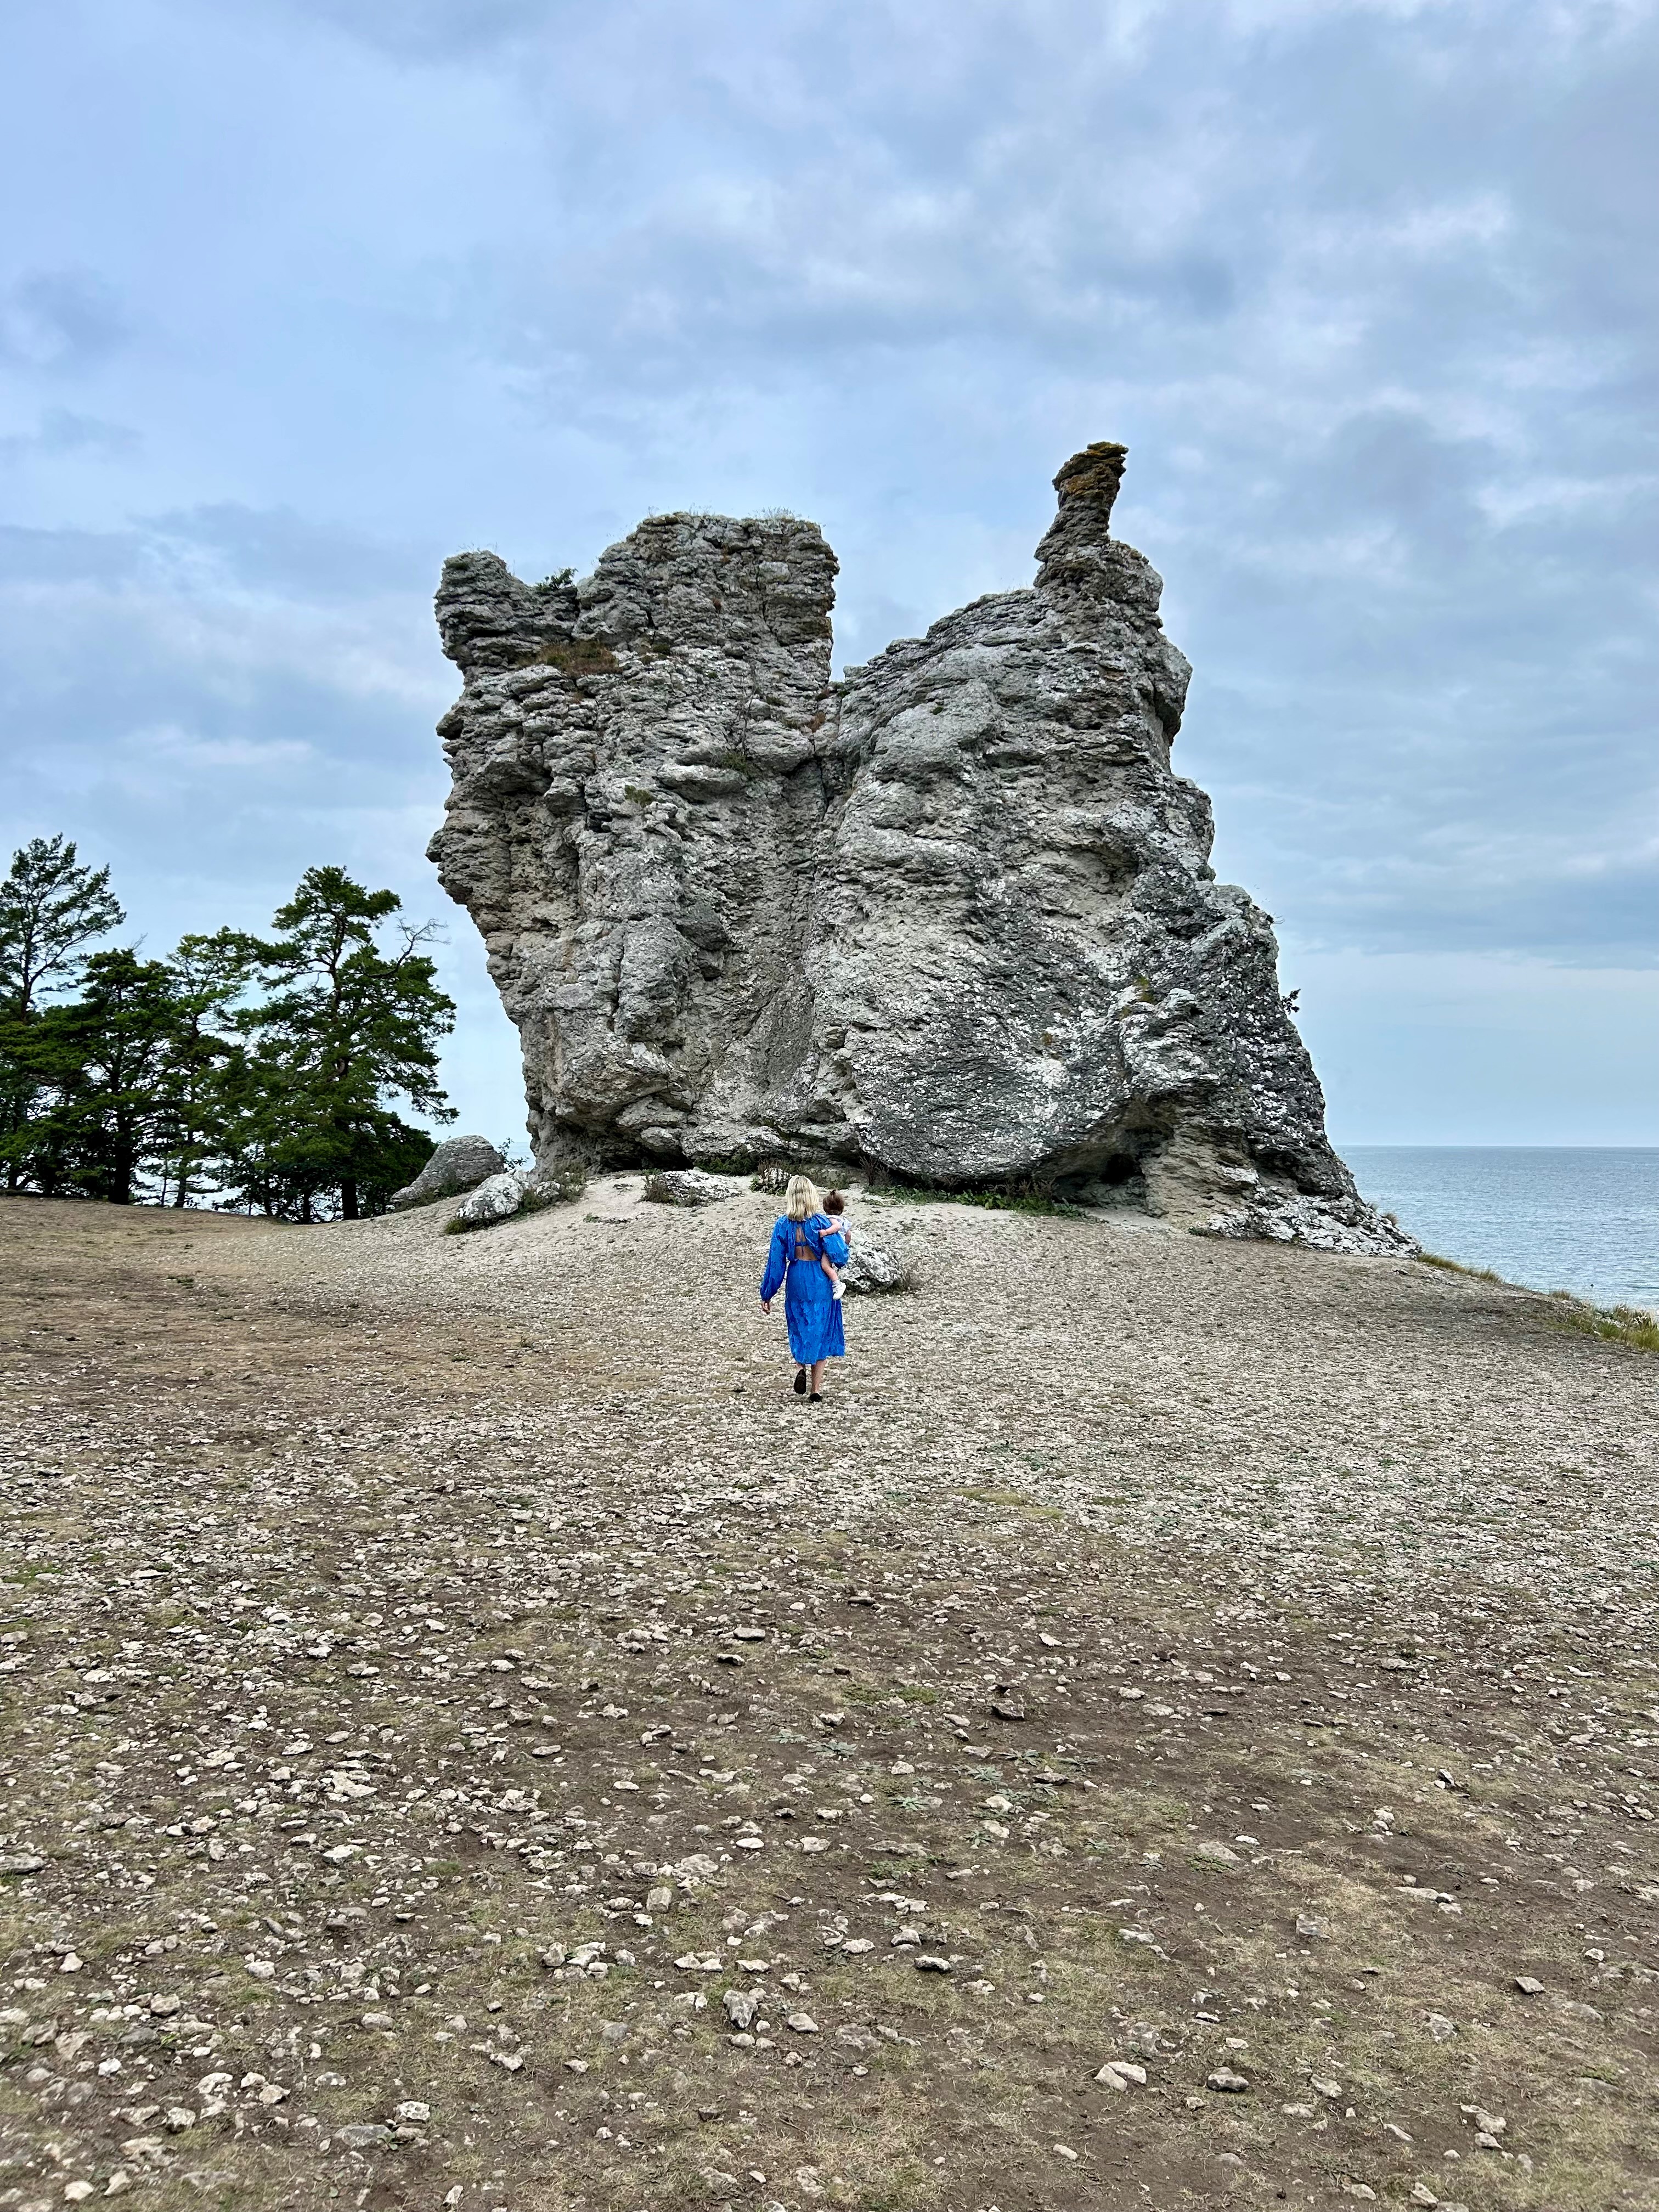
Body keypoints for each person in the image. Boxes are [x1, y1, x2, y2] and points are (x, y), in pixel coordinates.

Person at [759, 1174, 848, 1402]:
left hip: (797, 1276)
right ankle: (816, 1390)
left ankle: (800, 1366)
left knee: (798, 1324)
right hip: (819, 1278)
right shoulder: (822, 1223)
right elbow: (839, 1257)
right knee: (821, 1327)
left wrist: (767, 1293)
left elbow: (776, 1263)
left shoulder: (782, 1225)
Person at [819, 1189, 850, 1300]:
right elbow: (849, 1236)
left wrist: (826, 1232)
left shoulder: (831, 1219)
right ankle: (835, 1280)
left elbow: (837, 1227)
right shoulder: (845, 1220)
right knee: (831, 1265)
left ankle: (837, 1284)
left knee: (825, 1266)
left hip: (831, 1247)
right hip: (840, 1247)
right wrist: (845, 1246)